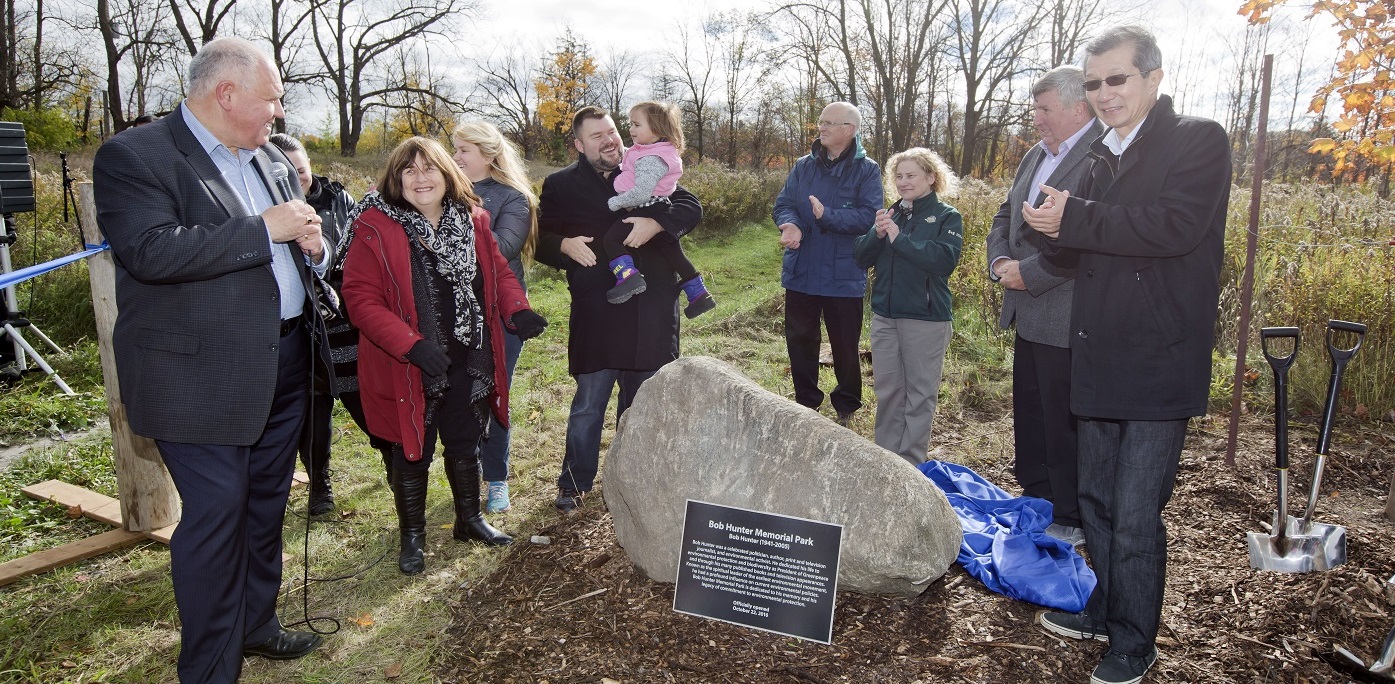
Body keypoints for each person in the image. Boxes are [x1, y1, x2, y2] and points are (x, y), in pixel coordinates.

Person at [92, 37, 330, 683]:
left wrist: (313, 247)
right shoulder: (134, 156)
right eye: (271, 99)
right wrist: (265, 230)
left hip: (281, 365)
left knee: (263, 505)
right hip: (195, 377)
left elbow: (299, 236)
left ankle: (257, 626)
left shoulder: (272, 157)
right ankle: (208, 668)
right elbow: (150, 252)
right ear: (227, 94)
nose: (277, 113)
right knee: (218, 514)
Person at [1022, 26, 1232, 684]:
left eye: (1116, 79)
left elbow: (1172, 226)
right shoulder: (1096, 157)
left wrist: (1075, 218)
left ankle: (1134, 643)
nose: (1104, 93)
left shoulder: (1196, 140)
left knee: (1136, 512)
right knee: (1096, 499)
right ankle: (1106, 608)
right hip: (1097, 354)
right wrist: (1046, 233)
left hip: (1156, 360)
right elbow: (1078, 247)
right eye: (1092, 82)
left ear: (1152, 78)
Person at [341, 137, 548, 574]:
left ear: (447, 174)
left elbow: (497, 273)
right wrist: (411, 345)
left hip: (469, 355)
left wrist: (518, 310)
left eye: (429, 168)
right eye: (409, 170)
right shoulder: (377, 226)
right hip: (409, 362)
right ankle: (412, 537)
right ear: (396, 180)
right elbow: (360, 299)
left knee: (464, 438)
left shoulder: (472, 220)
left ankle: (469, 520)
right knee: (411, 446)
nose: (420, 178)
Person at [535, 106, 703, 513]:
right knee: (589, 403)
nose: (610, 139)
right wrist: (561, 245)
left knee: (641, 403)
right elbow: (538, 235)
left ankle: (633, 484)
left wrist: (658, 225)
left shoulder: (648, 160)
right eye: (598, 136)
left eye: (612, 131)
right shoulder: (560, 185)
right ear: (578, 144)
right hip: (598, 309)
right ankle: (574, 483)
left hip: (651, 308)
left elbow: (690, 206)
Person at [986, 66, 1102, 548]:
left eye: (1044, 109)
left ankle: (1072, 516)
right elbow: (1006, 213)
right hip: (1027, 312)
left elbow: (1087, 242)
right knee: (1031, 412)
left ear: (1078, 109)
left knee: (1063, 419)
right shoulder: (1035, 155)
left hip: (1065, 313)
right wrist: (999, 260)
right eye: (1034, 108)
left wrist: (1027, 275)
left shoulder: (1101, 158)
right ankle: (1037, 497)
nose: (1036, 118)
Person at [269, 132, 367, 515]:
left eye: (303, 170)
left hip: (346, 321)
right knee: (313, 413)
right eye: (289, 172)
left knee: (366, 401)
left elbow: (361, 245)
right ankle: (320, 484)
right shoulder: (264, 207)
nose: (299, 179)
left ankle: (396, 466)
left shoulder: (337, 198)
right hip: (300, 328)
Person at [772, 101, 882, 426]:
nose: (821, 128)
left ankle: (846, 405)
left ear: (850, 130)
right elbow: (784, 204)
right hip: (801, 270)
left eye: (830, 123)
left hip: (843, 274)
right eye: (820, 122)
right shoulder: (803, 165)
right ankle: (806, 403)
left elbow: (868, 218)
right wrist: (789, 224)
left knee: (845, 345)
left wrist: (827, 215)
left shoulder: (867, 170)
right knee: (800, 341)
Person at [852, 148, 962, 464]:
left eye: (911, 175)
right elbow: (861, 257)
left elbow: (943, 260)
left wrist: (900, 239)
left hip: (925, 319)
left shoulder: (946, 217)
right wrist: (876, 233)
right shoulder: (892, 213)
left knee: (919, 395)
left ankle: (912, 464)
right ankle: (887, 461)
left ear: (931, 177)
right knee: (888, 391)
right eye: (898, 176)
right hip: (885, 316)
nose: (903, 182)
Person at [451, 120, 538, 514]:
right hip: (454, 312)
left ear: (488, 155)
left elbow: (500, 250)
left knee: (494, 394)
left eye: (463, 151)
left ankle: (496, 479)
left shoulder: (514, 198)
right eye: (453, 150)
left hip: (502, 315)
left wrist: (465, 217)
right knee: (459, 397)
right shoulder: (444, 192)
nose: (454, 158)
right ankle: (465, 476)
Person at [602, 101, 715, 318]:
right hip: (658, 207)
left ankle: (627, 277)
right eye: (630, 124)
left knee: (612, 239)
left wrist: (615, 203)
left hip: (647, 207)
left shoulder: (652, 158)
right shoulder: (651, 150)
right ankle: (699, 295)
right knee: (673, 252)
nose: (631, 129)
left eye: (636, 125)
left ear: (656, 130)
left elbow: (642, 192)